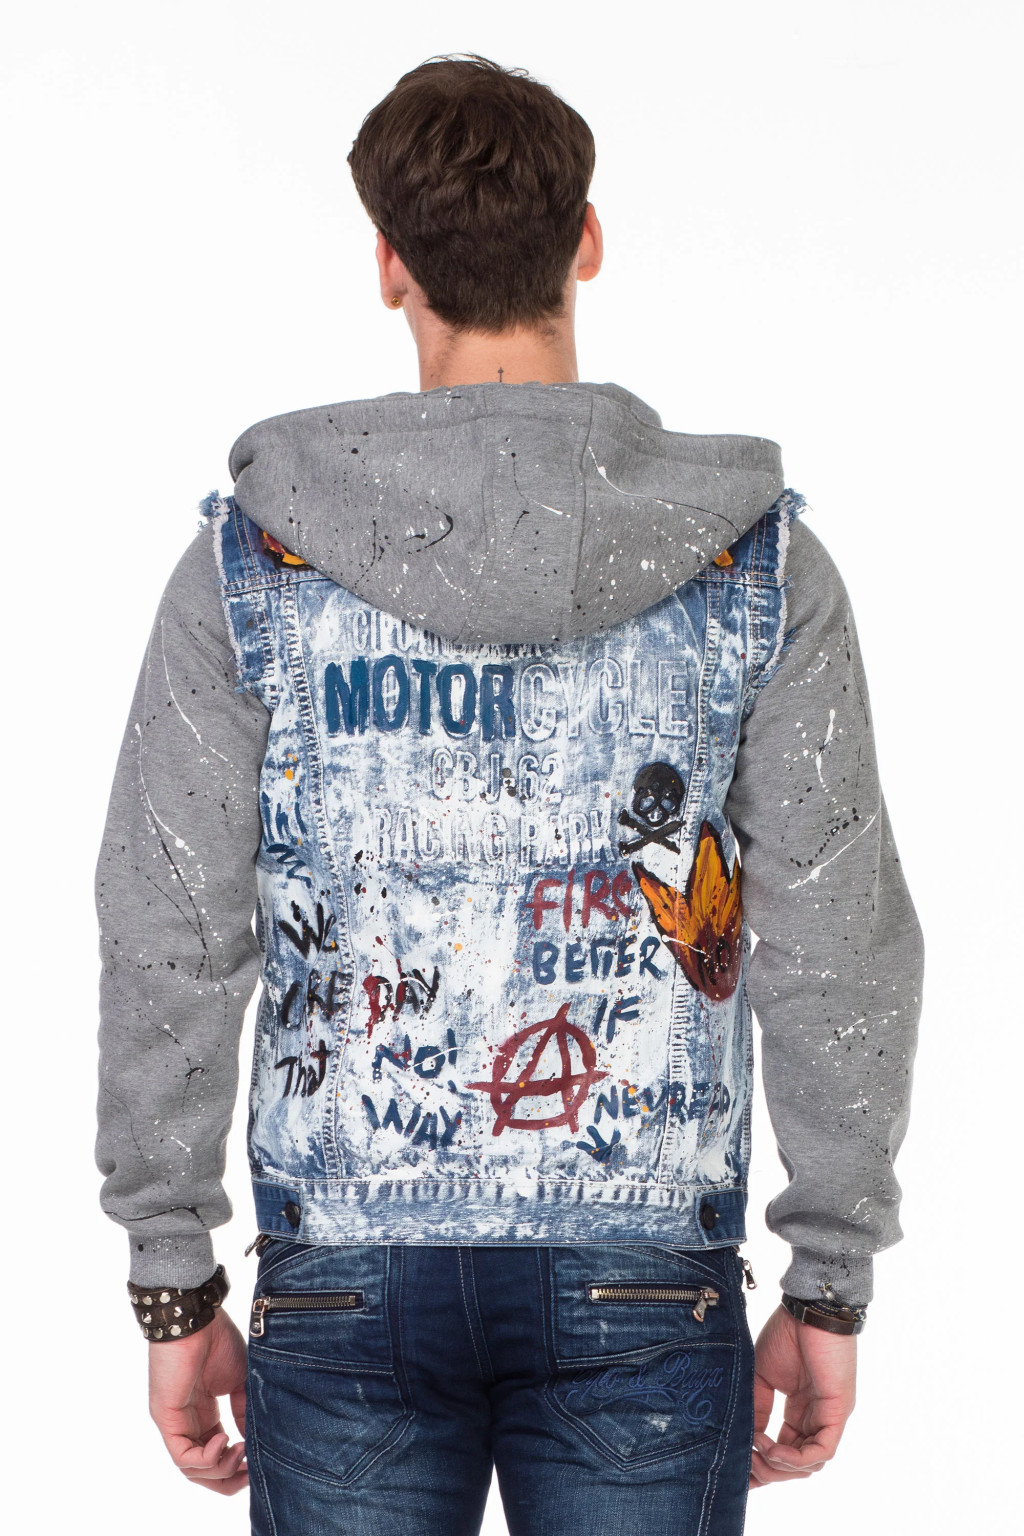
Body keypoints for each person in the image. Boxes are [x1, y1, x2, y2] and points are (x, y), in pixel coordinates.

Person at [94, 53, 925, 1536]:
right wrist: (829, 1277)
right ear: (586, 241)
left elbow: (170, 927)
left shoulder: (251, 568)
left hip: (343, 1270)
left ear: (388, 265)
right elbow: (838, 935)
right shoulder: (755, 568)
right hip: (645, 1268)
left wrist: (174, 1281)